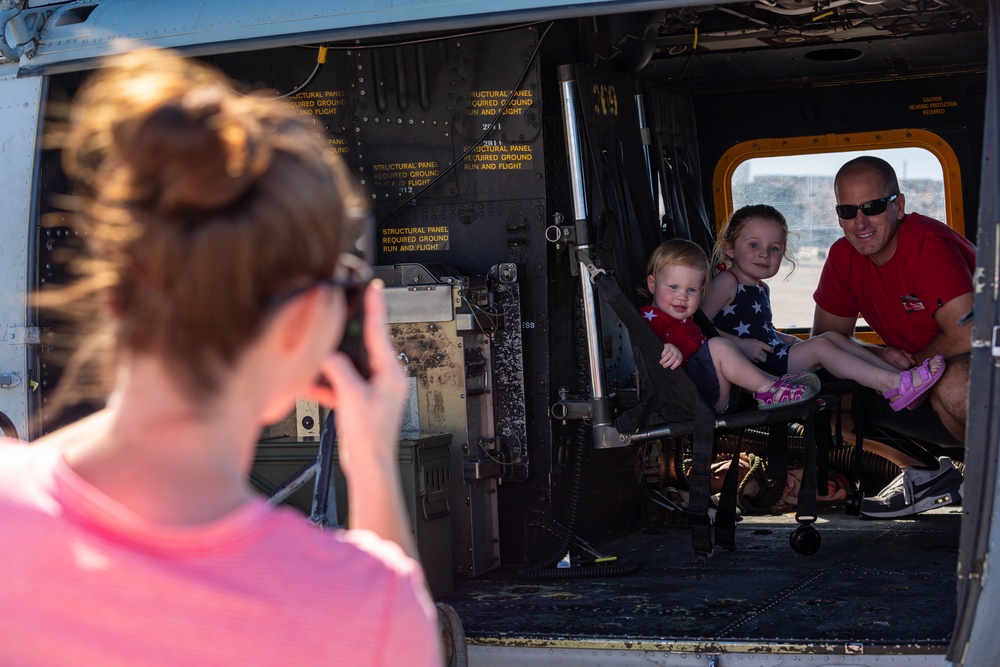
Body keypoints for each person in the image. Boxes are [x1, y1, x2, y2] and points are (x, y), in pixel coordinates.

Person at [0, 51, 442, 665]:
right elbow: (384, 620)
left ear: (116, 297)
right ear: (298, 326)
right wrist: (369, 462)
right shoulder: (363, 607)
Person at [812, 155, 976, 518]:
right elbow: (826, 342)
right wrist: (882, 357)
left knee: (954, 384)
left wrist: (914, 369)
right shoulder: (843, 257)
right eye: (848, 210)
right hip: (921, 379)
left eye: (872, 207)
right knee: (820, 394)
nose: (860, 222)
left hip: (978, 366)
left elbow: (969, 334)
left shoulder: (924, 242)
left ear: (898, 206)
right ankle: (927, 475)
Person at [703, 204, 946, 413]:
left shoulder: (760, 288)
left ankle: (900, 379)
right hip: (755, 371)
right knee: (820, 346)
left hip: (770, 356)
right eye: (754, 245)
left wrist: (787, 339)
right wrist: (742, 346)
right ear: (730, 248)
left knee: (830, 337)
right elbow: (698, 327)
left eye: (774, 248)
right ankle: (891, 384)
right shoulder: (727, 281)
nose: (764, 254)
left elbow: (760, 330)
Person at [642, 239, 821, 413]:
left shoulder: (685, 318)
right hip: (687, 399)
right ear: (652, 284)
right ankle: (770, 390)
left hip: (710, 387)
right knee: (718, 346)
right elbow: (639, 355)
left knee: (720, 346)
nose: (682, 296)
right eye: (673, 286)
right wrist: (664, 349)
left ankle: (774, 383)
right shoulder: (648, 319)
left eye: (691, 290)